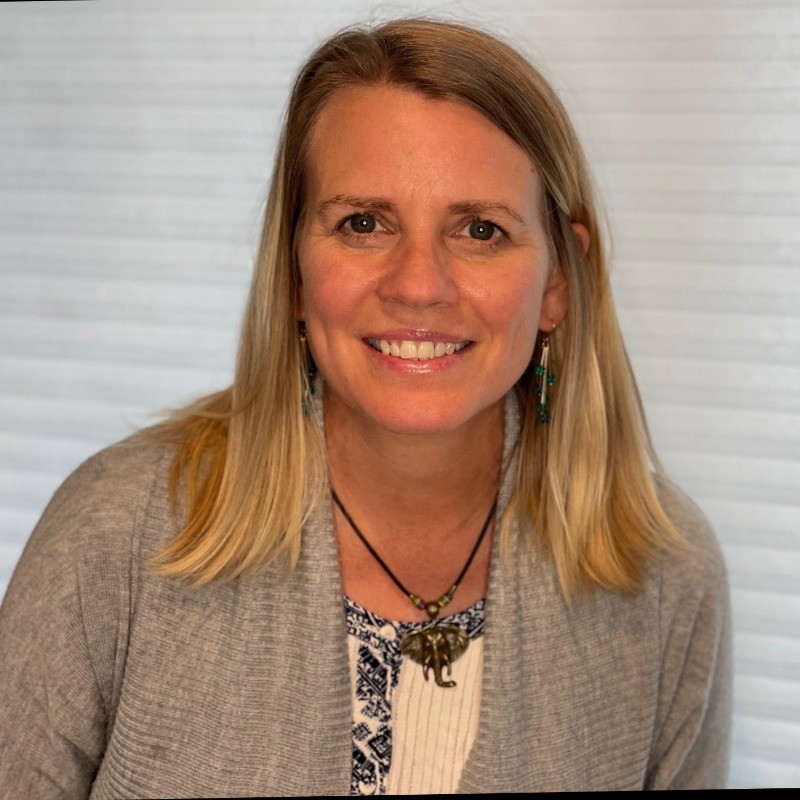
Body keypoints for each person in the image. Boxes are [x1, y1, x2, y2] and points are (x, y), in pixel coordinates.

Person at [0, 18, 731, 796]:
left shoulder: (664, 576)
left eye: (481, 230)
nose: (418, 285)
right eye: (363, 223)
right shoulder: (117, 534)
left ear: (558, 282)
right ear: (294, 271)